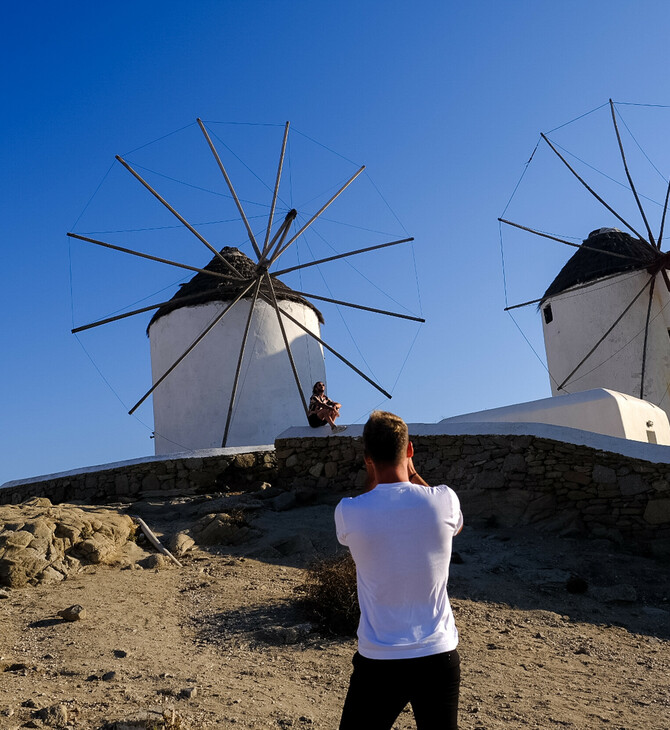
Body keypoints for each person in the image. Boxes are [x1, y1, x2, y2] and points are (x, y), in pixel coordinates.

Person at [334, 411, 463, 730]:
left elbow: (369, 503)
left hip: (379, 660)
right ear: (409, 450)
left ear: (367, 459)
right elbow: (456, 527)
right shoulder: (444, 500)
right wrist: (414, 473)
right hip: (438, 655)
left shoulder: (348, 511)